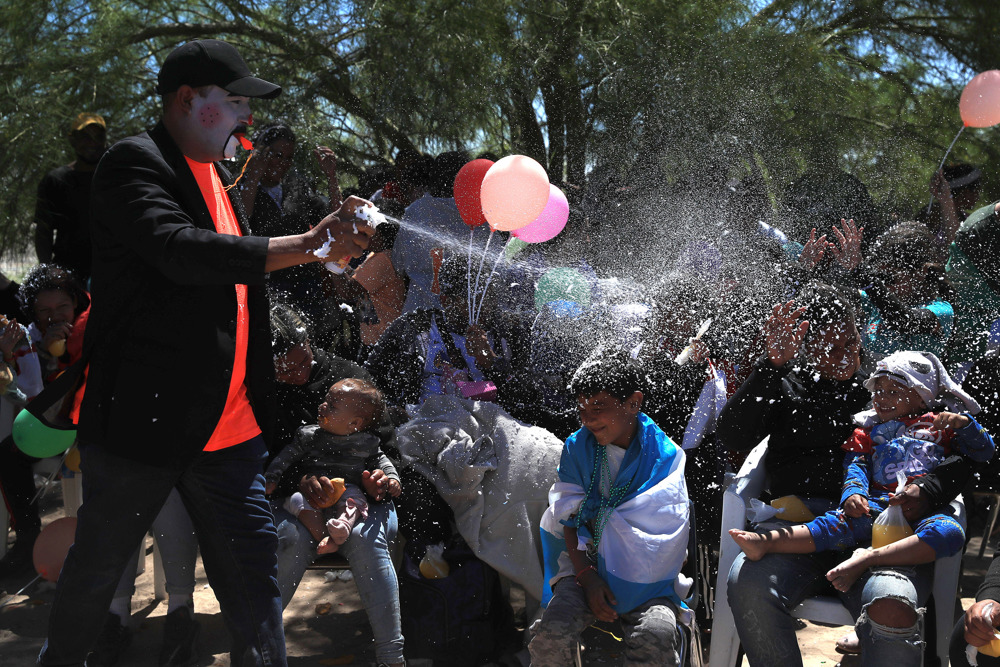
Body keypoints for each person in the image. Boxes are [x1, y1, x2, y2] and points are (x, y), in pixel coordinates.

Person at [36, 38, 373, 667]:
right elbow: (179, 250)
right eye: (236, 100)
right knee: (97, 571)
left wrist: (320, 249)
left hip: (230, 433)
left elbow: (234, 284)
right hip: (146, 426)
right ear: (188, 100)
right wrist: (305, 242)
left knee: (254, 587)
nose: (247, 116)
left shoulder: (217, 175)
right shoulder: (132, 164)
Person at [718, 282, 973, 665]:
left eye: (853, 343)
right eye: (833, 349)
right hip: (800, 530)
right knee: (748, 581)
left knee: (893, 604)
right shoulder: (785, 383)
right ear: (806, 347)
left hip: (876, 534)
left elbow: (951, 447)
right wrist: (771, 366)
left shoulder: (886, 387)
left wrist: (927, 489)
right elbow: (733, 435)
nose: (848, 358)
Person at [730, 350, 992, 592]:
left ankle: (869, 559)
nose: (881, 398)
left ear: (923, 394)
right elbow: (856, 465)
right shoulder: (867, 430)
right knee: (831, 525)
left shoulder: (941, 425)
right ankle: (767, 541)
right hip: (876, 506)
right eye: (878, 390)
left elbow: (983, 452)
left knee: (950, 532)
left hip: (927, 510)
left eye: (893, 391)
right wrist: (853, 493)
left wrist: (966, 425)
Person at [530, 351, 689, 666]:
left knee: (655, 638)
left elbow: (667, 536)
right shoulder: (577, 449)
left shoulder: (666, 458)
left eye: (599, 407)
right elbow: (570, 522)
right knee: (551, 635)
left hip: (650, 583)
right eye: (582, 409)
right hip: (585, 570)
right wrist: (588, 578)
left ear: (633, 403)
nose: (588, 419)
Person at [268, 305, 405, 667]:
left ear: (310, 343)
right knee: (289, 540)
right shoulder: (263, 388)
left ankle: (392, 655)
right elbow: (267, 461)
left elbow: (387, 449)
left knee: (366, 539)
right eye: (283, 369)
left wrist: (377, 480)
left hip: (358, 498)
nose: (296, 375)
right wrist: (297, 481)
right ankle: (264, 648)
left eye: (302, 362)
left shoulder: (349, 379)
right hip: (296, 500)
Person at [264, 378, 400, 555]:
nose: (322, 406)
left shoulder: (366, 442)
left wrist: (392, 478)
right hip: (312, 493)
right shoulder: (309, 436)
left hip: (347, 489)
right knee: (297, 500)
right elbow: (285, 457)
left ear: (354, 423)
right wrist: (272, 477)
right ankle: (325, 538)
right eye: (326, 400)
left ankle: (343, 525)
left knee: (356, 500)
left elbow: (382, 460)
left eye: (332, 406)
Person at [34, 113, 107, 280]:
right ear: (72, 140)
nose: (92, 143)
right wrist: (47, 273)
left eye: (98, 136)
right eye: (85, 137)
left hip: (111, 272)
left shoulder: (116, 178)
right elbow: (43, 232)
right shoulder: (55, 181)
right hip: (68, 274)